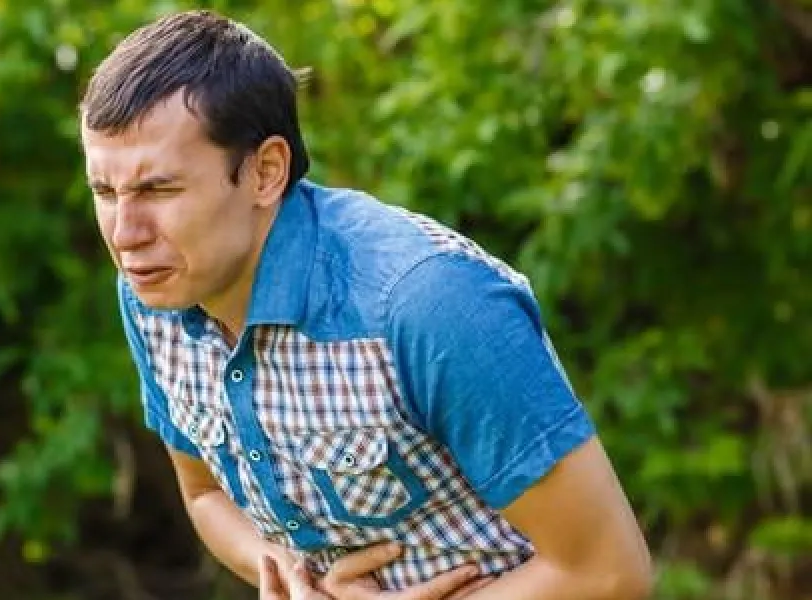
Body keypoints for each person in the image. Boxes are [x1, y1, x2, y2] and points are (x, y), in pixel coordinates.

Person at [79, 9, 653, 599]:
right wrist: (293, 578)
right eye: (104, 191)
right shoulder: (159, 291)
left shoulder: (431, 304)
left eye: (159, 189)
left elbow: (609, 572)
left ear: (265, 172)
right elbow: (204, 496)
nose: (125, 233)